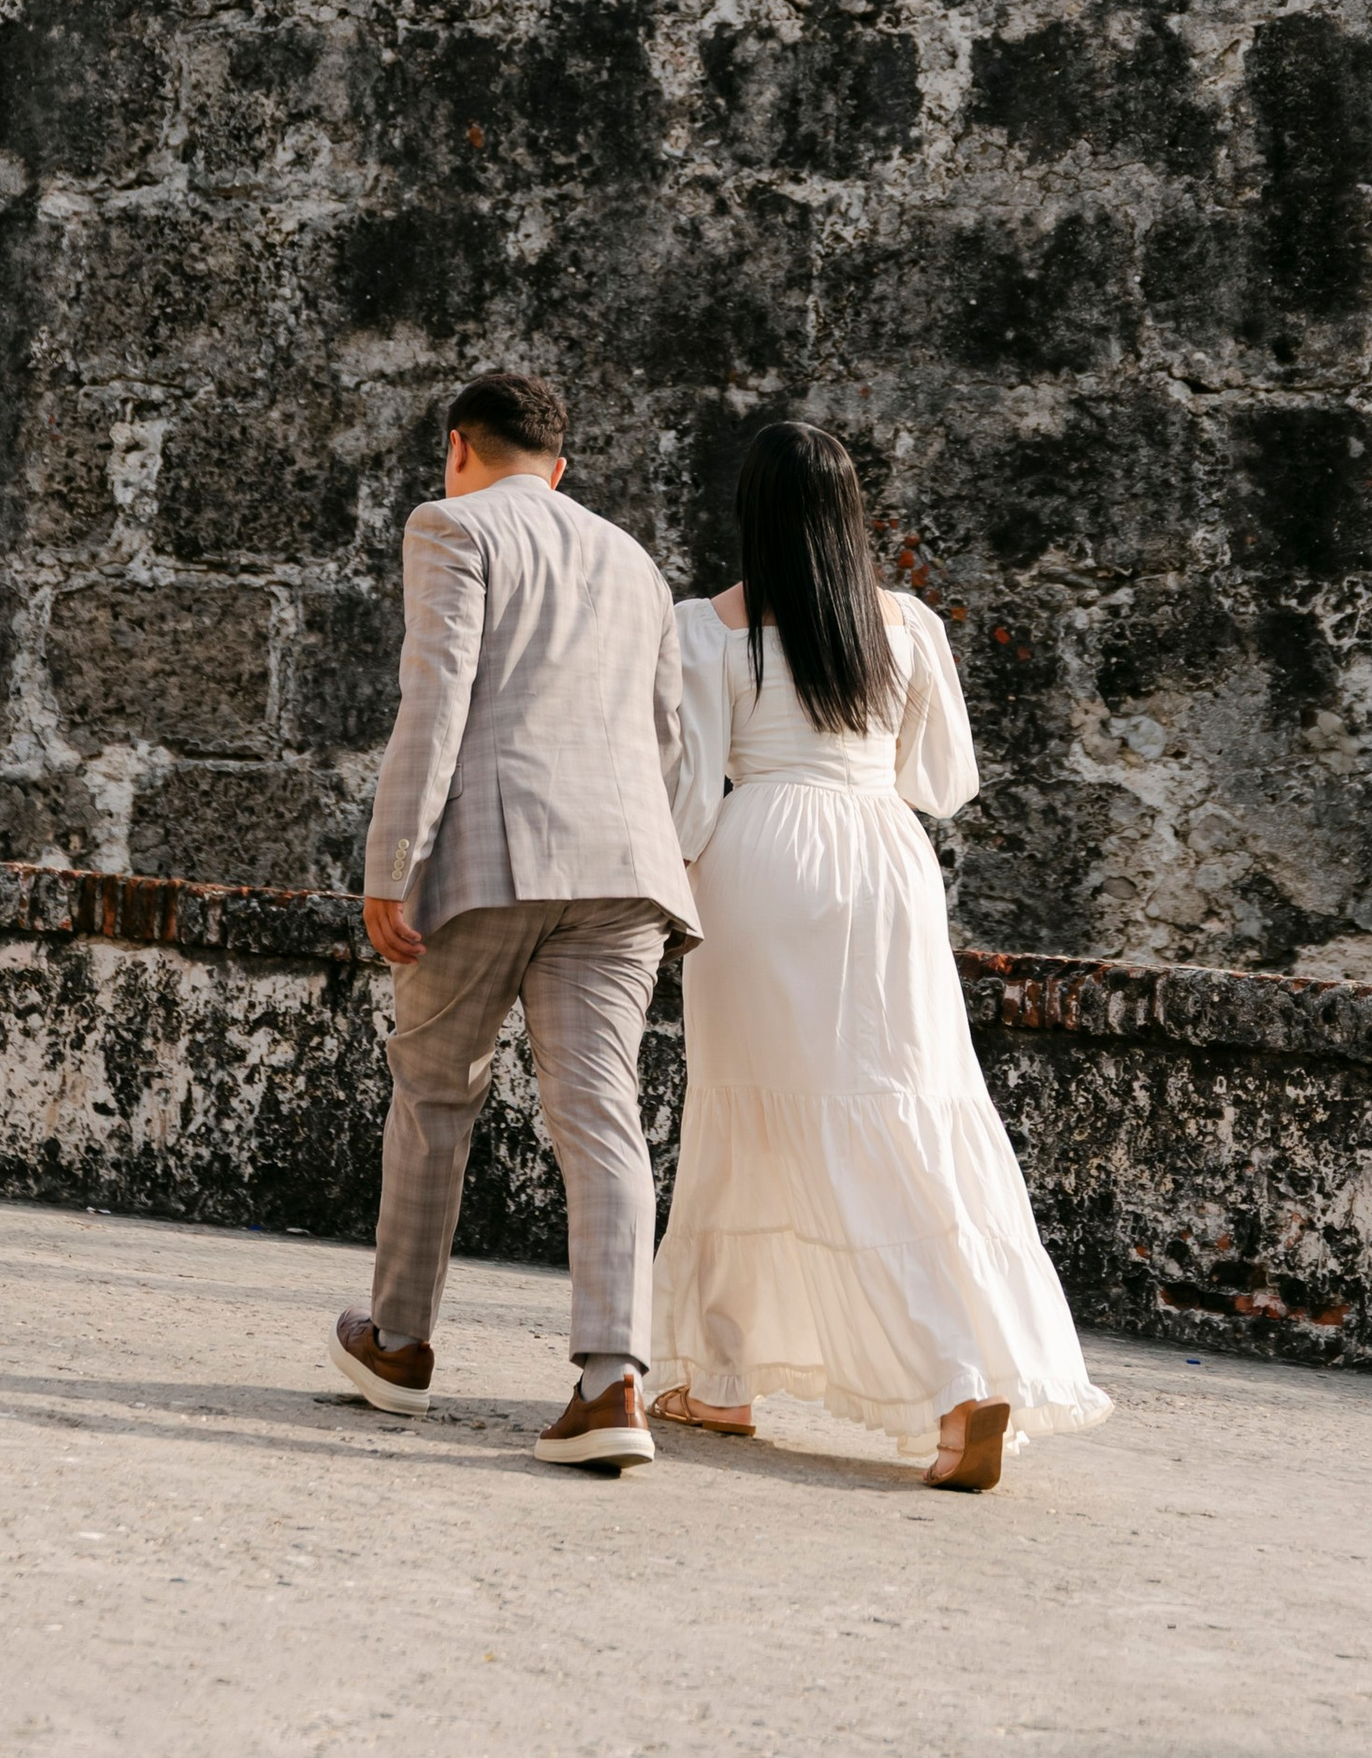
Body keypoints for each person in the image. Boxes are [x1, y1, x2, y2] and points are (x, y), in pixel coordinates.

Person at [650, 420, 1113, 1493]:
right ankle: (936, 1379)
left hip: (759, 859)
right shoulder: (906, 625)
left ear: (753, 512)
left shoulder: (706, 627)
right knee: (898, 1103)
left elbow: (689, 795)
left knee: (746, 1112)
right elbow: (940, 780)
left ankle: (753, 1378)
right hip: (885, 860)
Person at [334, 367, 696, 1471]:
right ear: (560, 465)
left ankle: (400, 1344)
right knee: (600, 1109)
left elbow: (436, 697)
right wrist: (663, 858)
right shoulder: (634, 560)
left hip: (494, 856)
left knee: (436, 1090)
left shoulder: (451, 526)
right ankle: (611, 1379)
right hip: (626, 867)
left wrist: (392, 863)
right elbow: (670, 736)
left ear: (458, 446)